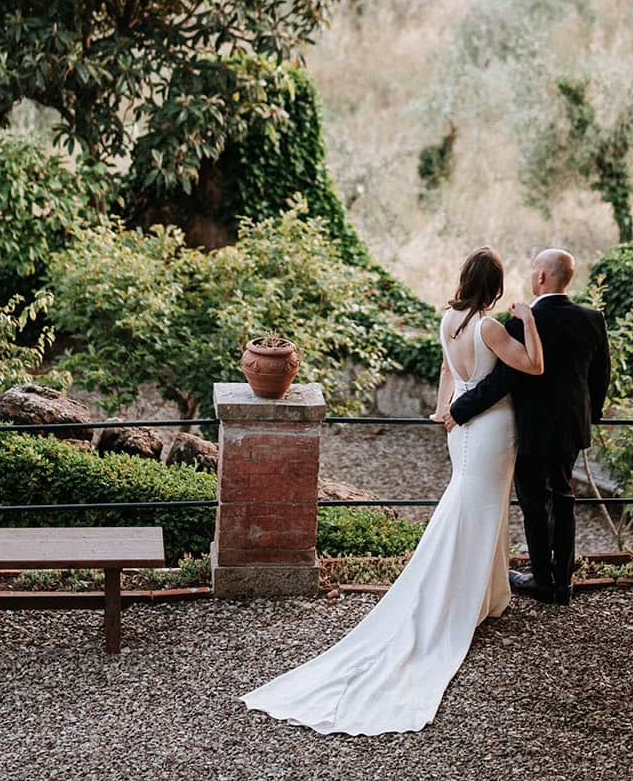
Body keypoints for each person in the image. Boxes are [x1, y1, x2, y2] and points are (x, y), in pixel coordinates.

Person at [243, 246, 546, 735]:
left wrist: (443, 411)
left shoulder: (449, 319)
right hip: (489, 429)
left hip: (461, 428)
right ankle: (465, 598)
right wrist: (528, 319)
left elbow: (449, 372)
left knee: (473, 507)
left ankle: (487, 595)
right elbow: (532, 366)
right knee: (482, 510)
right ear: (493, 286)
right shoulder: (491, 327)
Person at [441, 248, 610, 604]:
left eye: (534, 269)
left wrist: (460, 409)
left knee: (534, 503)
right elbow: (599, 379)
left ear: (542, 278)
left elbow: (503, 380)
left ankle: (542, 580)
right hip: (571, 429)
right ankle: (563, 582)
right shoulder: (593, 319)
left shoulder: (520, 321)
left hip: (530, 427)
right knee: (563, 498)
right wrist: (588, 418)